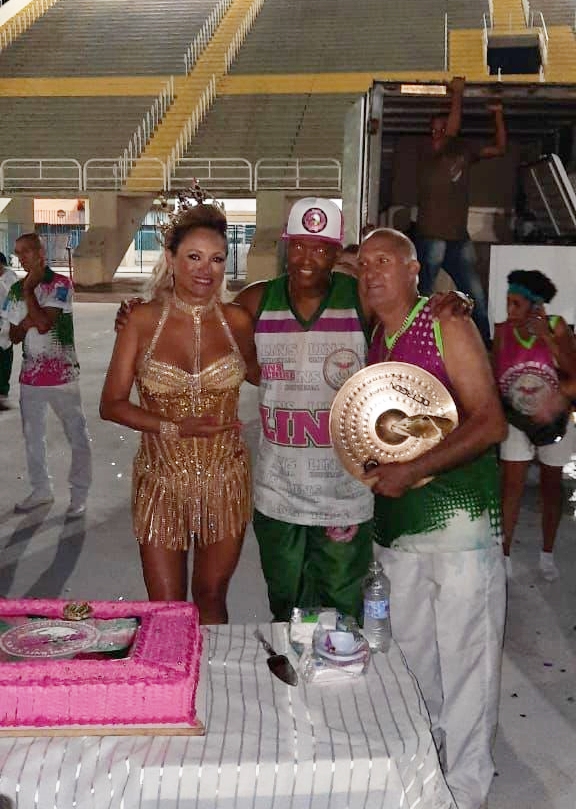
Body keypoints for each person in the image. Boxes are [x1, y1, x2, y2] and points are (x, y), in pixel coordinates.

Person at [357, 227, 507, 809]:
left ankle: (467, 791)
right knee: (414, 664)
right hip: (398, 535)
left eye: (386, 261)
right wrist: (373, 474)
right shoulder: (379, 336)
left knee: (470, 664)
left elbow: (490, 421)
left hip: (463, 531)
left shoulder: (445, 321)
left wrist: (412, 467)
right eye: (364, 263)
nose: (373, 272)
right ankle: (426, 773)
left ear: (414, 270)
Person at [100, 203, 259, 624]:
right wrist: (174, 427)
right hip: (161, 483)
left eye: (217, 258)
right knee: (166, 611)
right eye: (194, 256)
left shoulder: (239, 321)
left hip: (225, 481)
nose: (205, 270)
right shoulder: (139, 321)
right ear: (170, 258)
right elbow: (111, 403)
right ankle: (171, 688)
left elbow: (271, 368)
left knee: (210, 598)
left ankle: (210, 687)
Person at [493, 270, 576, 581]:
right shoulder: (502, 331)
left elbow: (573, 370)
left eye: (517, 304)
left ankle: (547, 553)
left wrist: (549, 340)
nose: (510, 310)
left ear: (536, 306)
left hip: (554, 420)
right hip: (517, 418)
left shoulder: (556, 328)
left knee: (551, 486)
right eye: (508, 303)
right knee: (511, 486)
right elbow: (495, 374)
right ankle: (504, 554)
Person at [412, 76, 507, 345]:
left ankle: (485, 344)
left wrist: (498, 114)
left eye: (440, 130)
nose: (437, 135)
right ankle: (417, 340)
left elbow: (500, 148)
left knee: (474, 292)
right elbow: (452, 131)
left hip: (457, 235)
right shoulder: (429, 154)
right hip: (431, 234)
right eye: (433, 131)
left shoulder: (464, 150)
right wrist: (457, 94)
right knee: (422, 293)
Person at [2, 233, 92, 516]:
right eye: (17, 253)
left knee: (76, 435)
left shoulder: (60, 284)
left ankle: (79, 494)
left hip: (63, 374)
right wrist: (26, 320)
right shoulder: (15, 289)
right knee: (32, 437)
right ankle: (41, 489)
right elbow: (11, 335)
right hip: (30, 377)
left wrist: (29, 296)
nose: (20, 258)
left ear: (40, 252)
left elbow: (43, 323)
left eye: (25, 251)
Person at [0, 252, 17, 410]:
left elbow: (13, 302)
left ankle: (2, 394)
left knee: (4, 358)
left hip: (5, 322)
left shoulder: (10, 279)